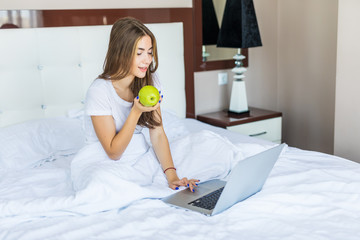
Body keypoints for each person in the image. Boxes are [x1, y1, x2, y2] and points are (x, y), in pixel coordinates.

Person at [79, 17, 199, 192]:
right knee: (101, 185)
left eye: (150, 52)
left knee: (207, 144)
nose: (147, 60)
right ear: (121, 52)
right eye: (139, 53)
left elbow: (157, 133)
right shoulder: (99, 91)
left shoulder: (150, 80)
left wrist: (172, 176)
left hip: (137, 154)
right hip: (102, 157)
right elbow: (113, 152)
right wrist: (135, 112)